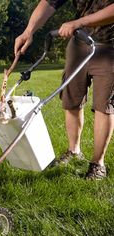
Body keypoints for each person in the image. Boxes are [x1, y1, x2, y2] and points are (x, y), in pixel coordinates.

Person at [14, 0, 114, 180]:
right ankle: (74, 151)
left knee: (103, 105)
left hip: (109, 46)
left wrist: (79, 22)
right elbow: (49, 3)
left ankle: (97, 163)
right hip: (79, 42)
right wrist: (28, 31)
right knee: (71, 100)